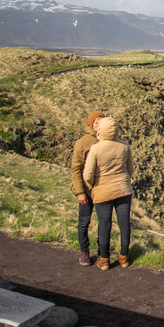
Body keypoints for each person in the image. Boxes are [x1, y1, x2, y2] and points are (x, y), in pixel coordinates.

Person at [83, 116, 134, 270]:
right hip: (123, 190)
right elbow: (130, 169)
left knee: (104, 226)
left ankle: (104, 260)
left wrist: (93, 186)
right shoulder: (124, 146)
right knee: (124, 224)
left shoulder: (96, 148)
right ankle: (124, 258)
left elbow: (87, 175)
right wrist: (123, 180)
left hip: (103, 191)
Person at [70, 111, 105, 266]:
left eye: (102, 122)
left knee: (104, 221)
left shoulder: (107, 140)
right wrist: (79, 192)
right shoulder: (83, 142)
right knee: (84, 221)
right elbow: (76, 168)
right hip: (87, 190)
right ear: (91, 124)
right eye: (97, 122)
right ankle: (84, 252)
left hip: (103, 190)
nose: (99, 125)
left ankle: (102, 250)